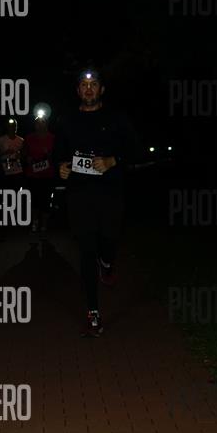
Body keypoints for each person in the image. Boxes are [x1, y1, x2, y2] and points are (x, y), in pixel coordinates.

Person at [56, 67, 138, 337]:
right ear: (77, 90)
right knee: (86, 251)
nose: (88, 89)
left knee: (108, 241)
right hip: (80, 195)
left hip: (110, 193)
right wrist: (61, 167)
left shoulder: (116, 118)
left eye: (93, 84)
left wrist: (113, 160)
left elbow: (134, 149)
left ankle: (108, 262)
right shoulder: (67, 120)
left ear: (102, 89)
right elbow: (59, 153)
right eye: (83, 84)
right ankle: (93, 311)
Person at [23, 114, 55, 232]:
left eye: (43, 122)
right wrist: (27, 158)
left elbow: (58, 154)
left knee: (46, 200)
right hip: (33, 175)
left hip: (48, 175)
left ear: (47, 124)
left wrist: (50, 155)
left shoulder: (53, 138)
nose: (40, 125)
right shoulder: (29, 138)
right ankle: (35, 222)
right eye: (38, 123)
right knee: (33, 200)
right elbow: (23, 153)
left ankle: (44, 225)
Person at [0, 118, 24, 191]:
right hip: (5, 170)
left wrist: (20, 155)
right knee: (6, 190)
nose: (12, 128)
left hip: (17, 170)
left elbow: (24, 154)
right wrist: (4, 153)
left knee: (16, 190)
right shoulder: (1, 140)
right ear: (7, 127)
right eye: (10, 126)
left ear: (16, 127)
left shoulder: (21, 140)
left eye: (13, 126)